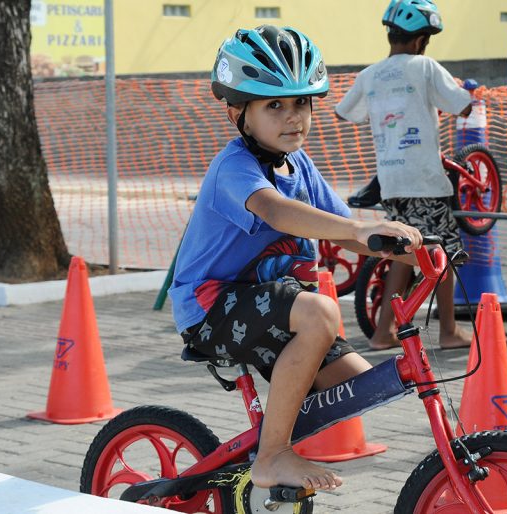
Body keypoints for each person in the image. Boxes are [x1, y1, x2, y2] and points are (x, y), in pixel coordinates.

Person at [168, 25, 423, 491]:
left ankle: (262, 462)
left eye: (301, 103)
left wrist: (414, 250)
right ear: (238, 114)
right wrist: (356, 230)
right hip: (211, 307)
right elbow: (276, 210)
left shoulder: (299, 165)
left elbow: (346, 229)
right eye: (274, 106)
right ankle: (272, 456)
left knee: (364, 386)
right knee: (320, 311)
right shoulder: (234, 167)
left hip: (271, 306)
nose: (293, 117)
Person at [336, 0, 472, 351]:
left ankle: (384, 332)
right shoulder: (425, 67)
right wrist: (470, 93)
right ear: (421, 40)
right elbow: (463, 106)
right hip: (424, 179)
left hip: (391, 181)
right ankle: (448, 331)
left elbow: (344, 113)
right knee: (442, 252)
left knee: (402, 251)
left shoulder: (369, 75)